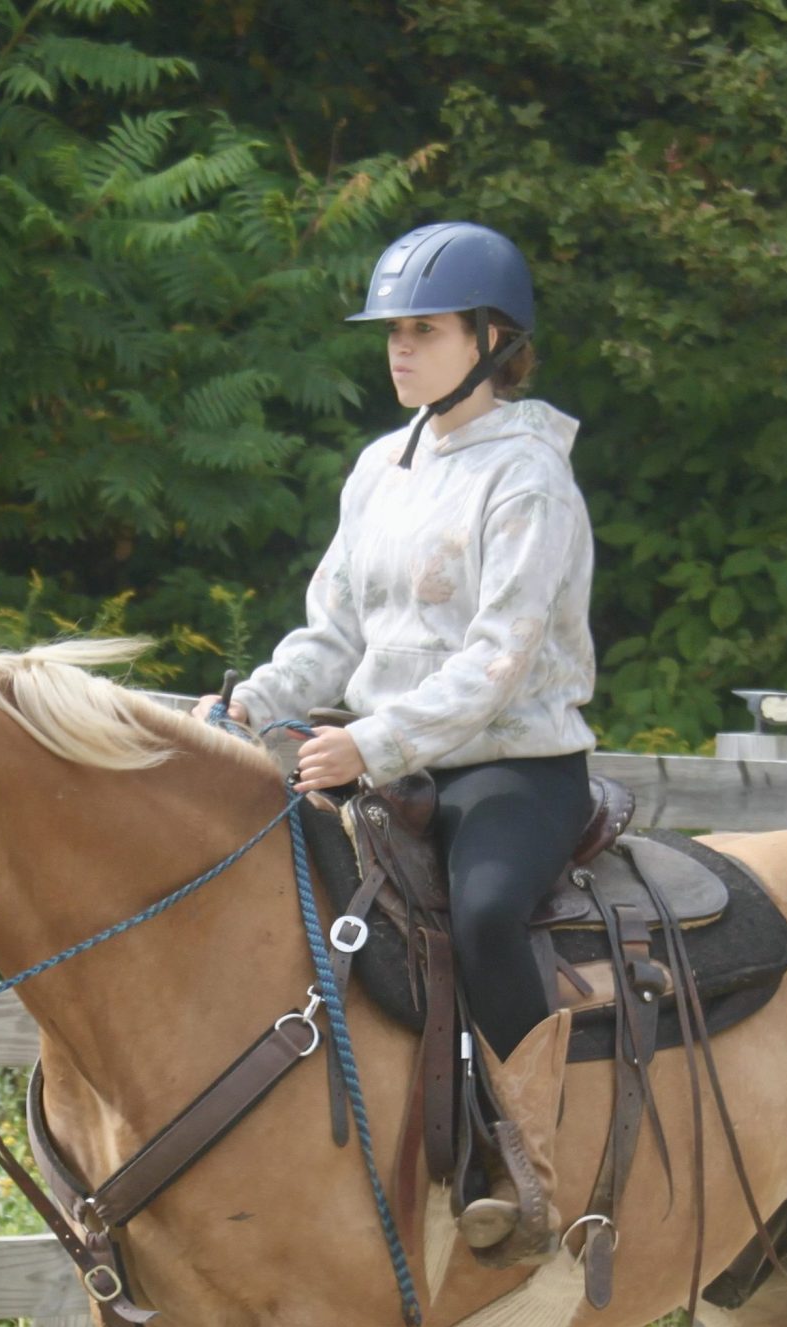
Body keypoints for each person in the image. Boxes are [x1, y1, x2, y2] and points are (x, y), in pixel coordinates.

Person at [191, 220, 596, 1265]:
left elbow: (499, 662)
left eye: (423, 330)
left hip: (510, 765)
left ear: (493, 339)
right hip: (382, 757)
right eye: (391, 334)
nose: (398, 350)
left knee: (489, 911)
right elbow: (333, 632)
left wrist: (365, 741)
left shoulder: (533, 478)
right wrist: (254, 701)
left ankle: (527, 1162)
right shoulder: (381, 467)